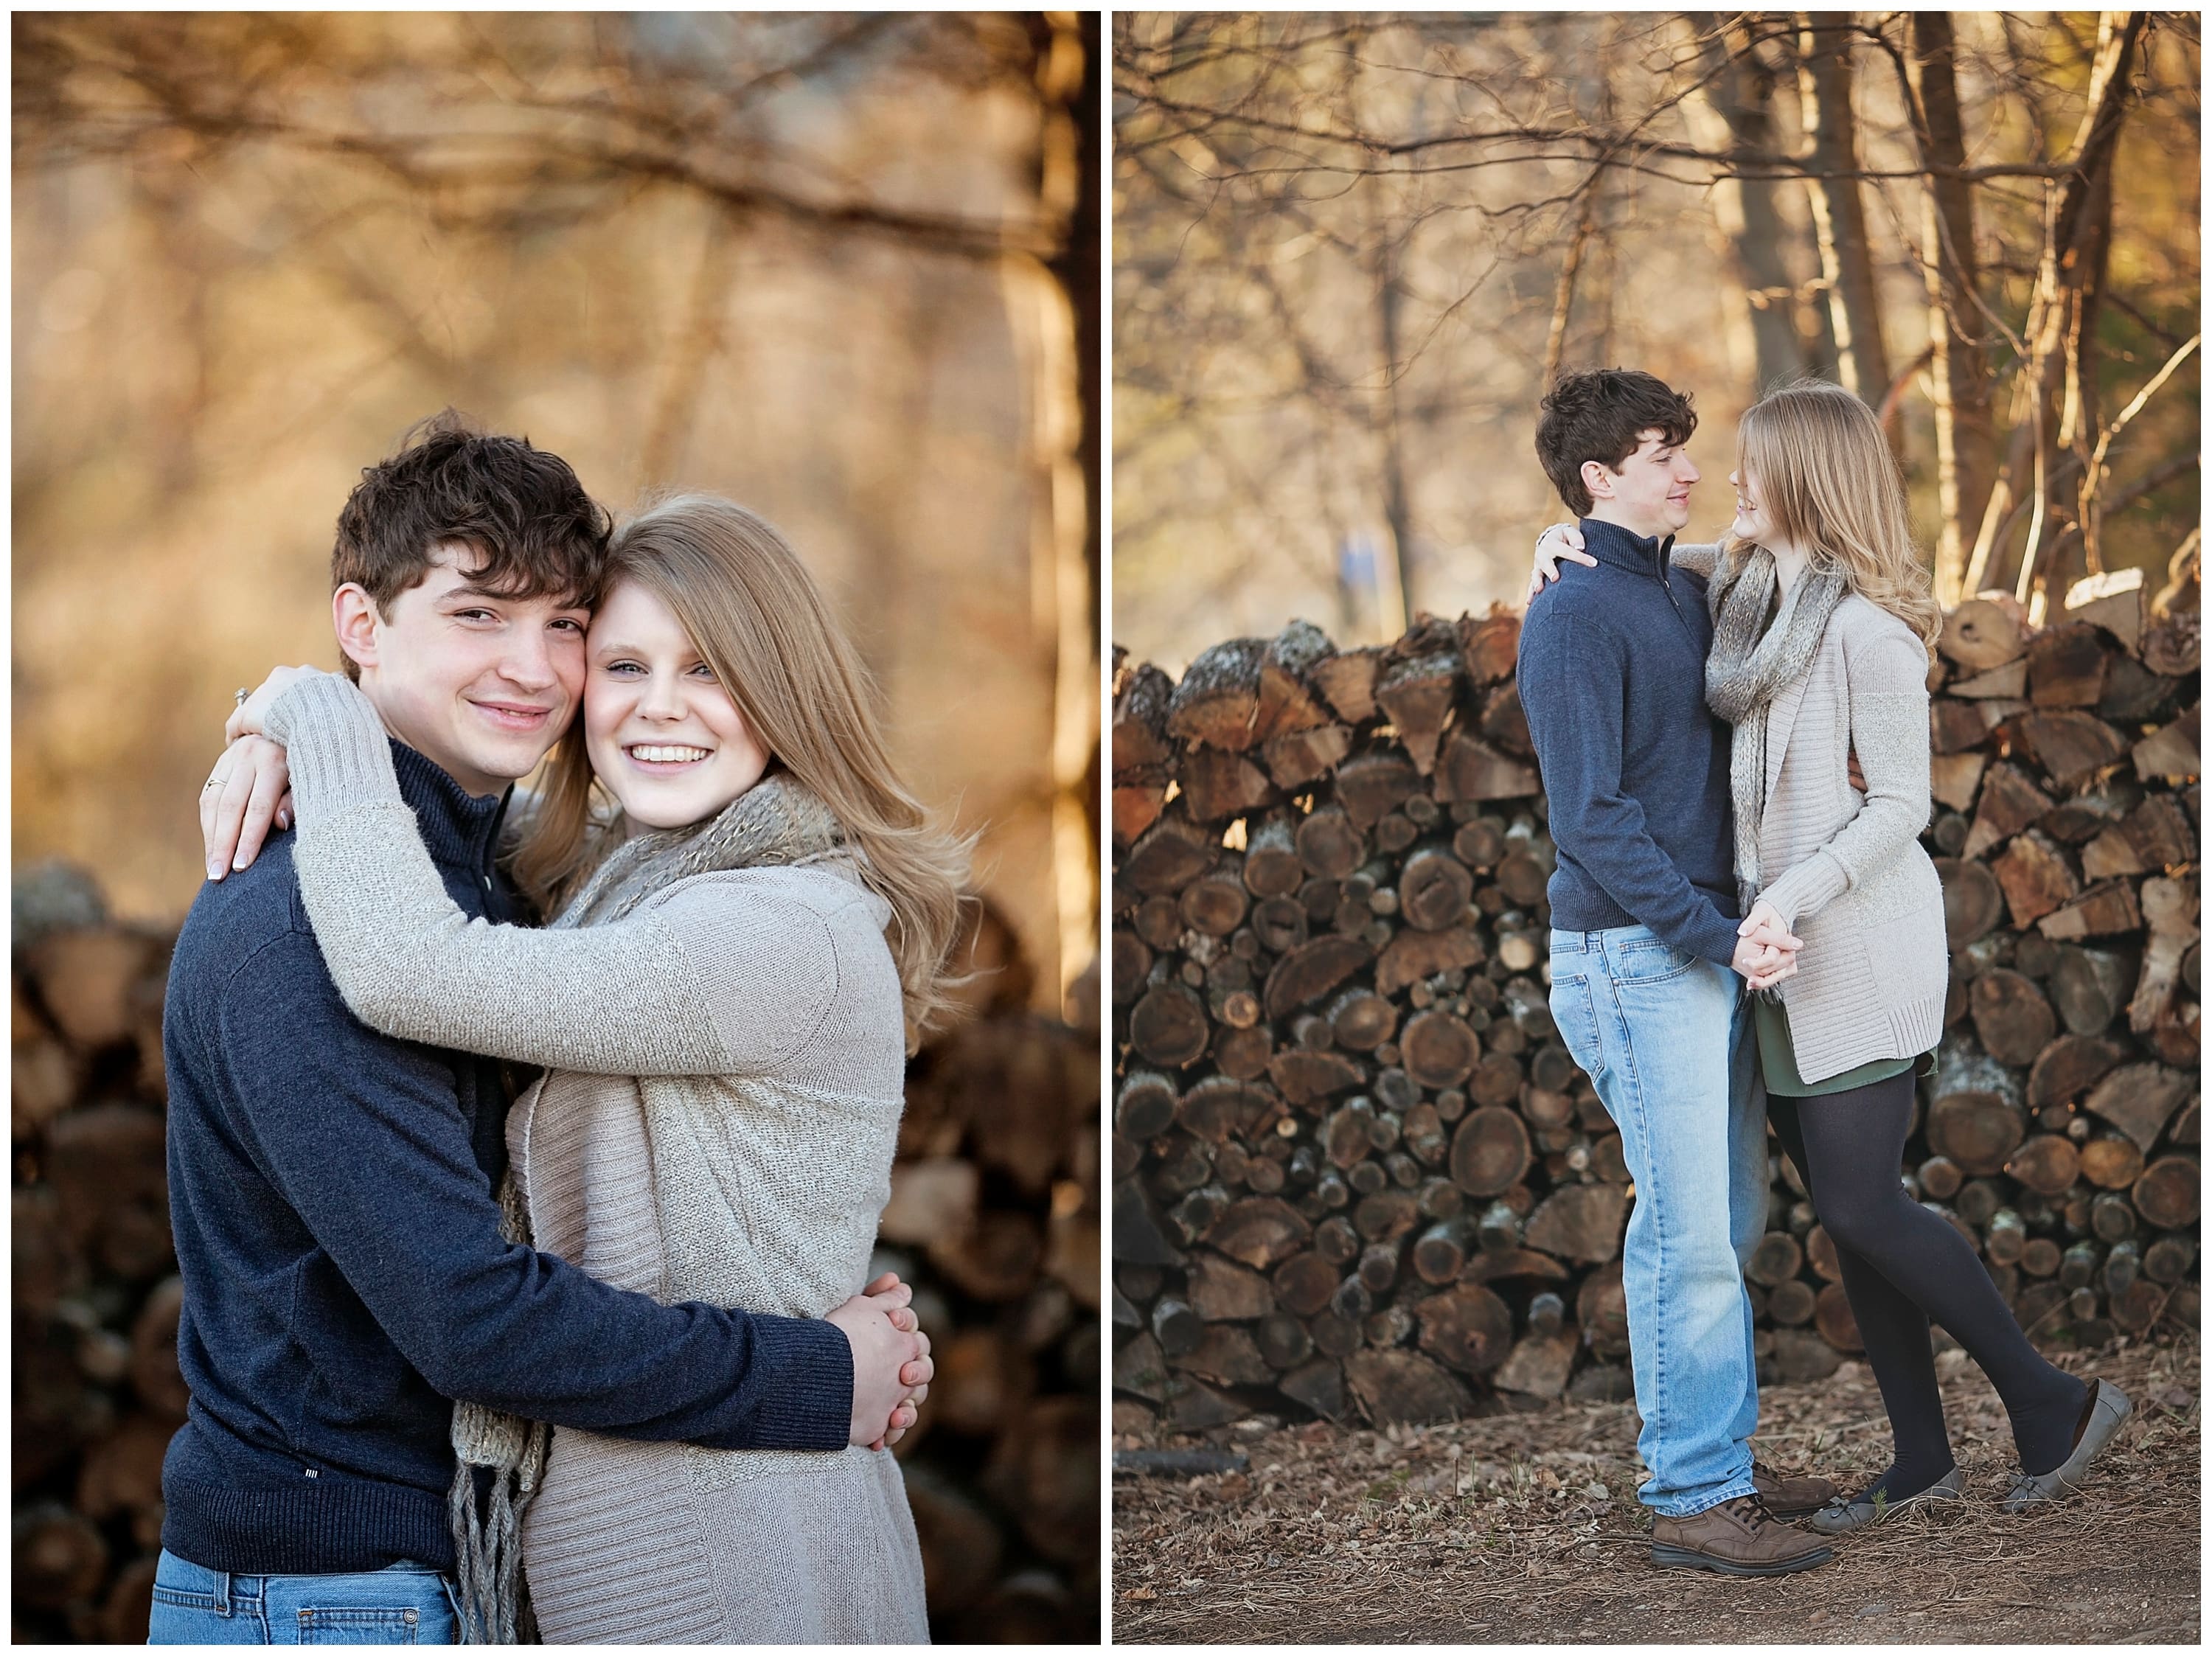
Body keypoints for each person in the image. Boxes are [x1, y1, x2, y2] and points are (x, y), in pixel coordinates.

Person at [160, 416, 932, 1646]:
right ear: (363, 625)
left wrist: (308, 709)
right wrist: (299, 707)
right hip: (328, 1588)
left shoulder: (591, 896)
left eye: (565, 627)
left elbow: (431, 957)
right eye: (480, 615)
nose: (536, 668)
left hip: (593, 1559)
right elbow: (475, 1316)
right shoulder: (314, 918)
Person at [1531, 378, 2131, 1534]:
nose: (1725, 479)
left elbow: (1901, 804)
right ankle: (1920, 1459)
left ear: (1805, 479)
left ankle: (2052, 1403)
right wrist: (1563, 542)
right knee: (1846, 1213)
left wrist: (1778, 901)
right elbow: (1643, 562)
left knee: (1862, 1207)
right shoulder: (1744, 593)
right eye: (1695, 458)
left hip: (1843, 946)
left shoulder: (1863, 630)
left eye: (1753, 464)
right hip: (1772, 960)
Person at [1518, 368, 1837, 1578]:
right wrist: (1718, 937)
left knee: (1732, 1218)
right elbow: (1591, 821)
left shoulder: (1674, 586)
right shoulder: (1572, 617)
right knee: (1689, 1230)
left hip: (1702, 946)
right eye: (1660, 454)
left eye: (1684, 450)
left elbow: (1725, 547)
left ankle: (1721, 1455)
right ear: (1599, 476)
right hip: (1633, 955)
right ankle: (1696, 1491)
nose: (1686, 469)